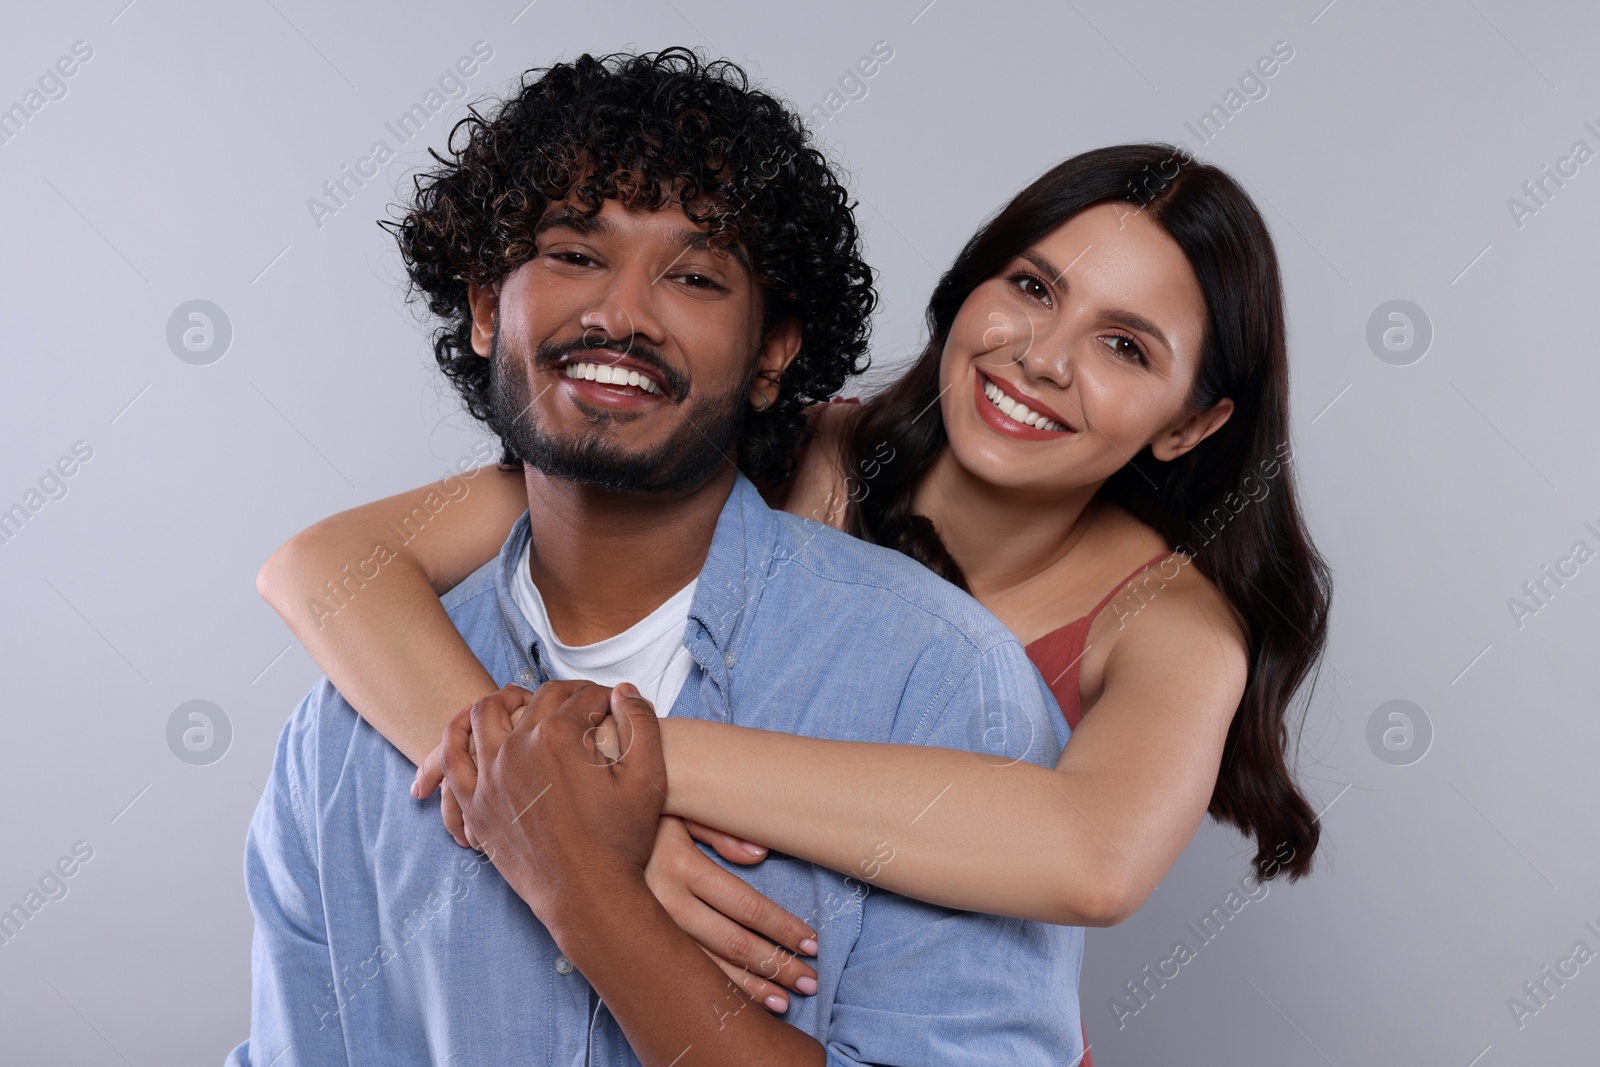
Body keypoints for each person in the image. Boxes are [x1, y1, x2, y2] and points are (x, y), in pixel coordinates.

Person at [263, 72, 1330, 1056]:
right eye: (1033, 287)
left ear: (1189, 426)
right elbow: (330, 564)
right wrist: (511, 768)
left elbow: (1088, 855)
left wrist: (590, 783)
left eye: (1125, 345)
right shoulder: (769, 444)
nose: (1045, 357)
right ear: (967, 286)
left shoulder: (1161, 624)